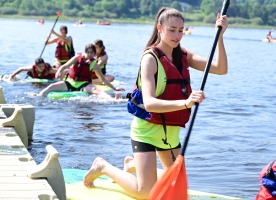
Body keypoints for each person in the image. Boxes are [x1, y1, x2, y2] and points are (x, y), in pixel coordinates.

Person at [83, 7, 228, 199]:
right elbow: (150, 103)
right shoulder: (150, 59)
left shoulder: (183, 55)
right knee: (144, 193)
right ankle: (103, 166)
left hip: (171, 134)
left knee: (178, 185)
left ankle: (132, 165)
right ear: (160, 28)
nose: (177, 35)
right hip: (147, 132)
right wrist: (186, 103)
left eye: (181, 30)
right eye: (172, 29)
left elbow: (220, 69)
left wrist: (220, 36)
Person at [37, 43, 124, 97]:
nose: (89, 54)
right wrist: (59, 71)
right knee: (51, 87)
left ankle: (112, 99)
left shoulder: (95, 65)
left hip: (83, 85)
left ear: (94, 54)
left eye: (92, 53)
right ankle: (39, 95)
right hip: (70, 82)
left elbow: (103, 79)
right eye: (88, 52)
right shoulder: (77, 58)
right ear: (85, 52)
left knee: (96, 91)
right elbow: (65, 65)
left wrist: (115, 88)